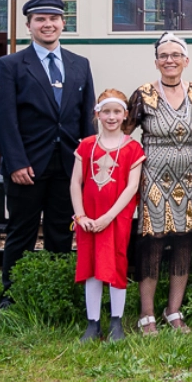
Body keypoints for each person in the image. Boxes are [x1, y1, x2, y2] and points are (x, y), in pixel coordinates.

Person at [0, 0, 95, 309]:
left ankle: (57, 291)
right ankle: (13, 295)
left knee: (60, 234)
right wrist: (15, 162)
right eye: (40, 20)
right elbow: (2, 118)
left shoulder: (80, 64)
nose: (47, 25)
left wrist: (86, 164)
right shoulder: (10, 65)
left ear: (63, 23)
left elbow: (87, 118)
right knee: (21, 232)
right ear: (29, 25)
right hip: (27, 167)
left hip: (67, 166)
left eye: (53, 19)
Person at [129, 32, 192, 335]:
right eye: (163, 56)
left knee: (184, 242)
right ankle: (146, 313)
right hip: (154, 176)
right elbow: (125, 133)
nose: (170, 60)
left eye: (175, 55)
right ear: (156, 62)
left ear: (186, 60)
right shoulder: (143, 94)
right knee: (152, 243)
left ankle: (173, 311)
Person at [71, 89, 144, 343]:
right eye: (106, 112)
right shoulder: (87, 146)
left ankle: (116, 322)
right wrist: (80, 216)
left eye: (116, 112)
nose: (111, 117)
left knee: (115, 265)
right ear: (97, 114)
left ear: (125, 115)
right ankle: (93, 324)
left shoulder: (132, 148)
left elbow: (131, 187)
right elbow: (75, 183)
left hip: (115, 220)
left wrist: (108, 217)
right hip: (88, 220)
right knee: (91, 268)